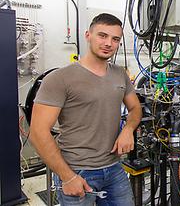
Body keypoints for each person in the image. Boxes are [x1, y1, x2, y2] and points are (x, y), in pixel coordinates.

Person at [29, 13, 142, 205]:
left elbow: (135, 109)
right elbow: (37, 133)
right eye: (102, 35)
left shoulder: (120, 74)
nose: (109, 43)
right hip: (77, 170)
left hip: (114, 168)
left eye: (115, 39)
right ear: (88, 35)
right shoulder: (60, 78)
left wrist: (128, 129)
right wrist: (67, 177)